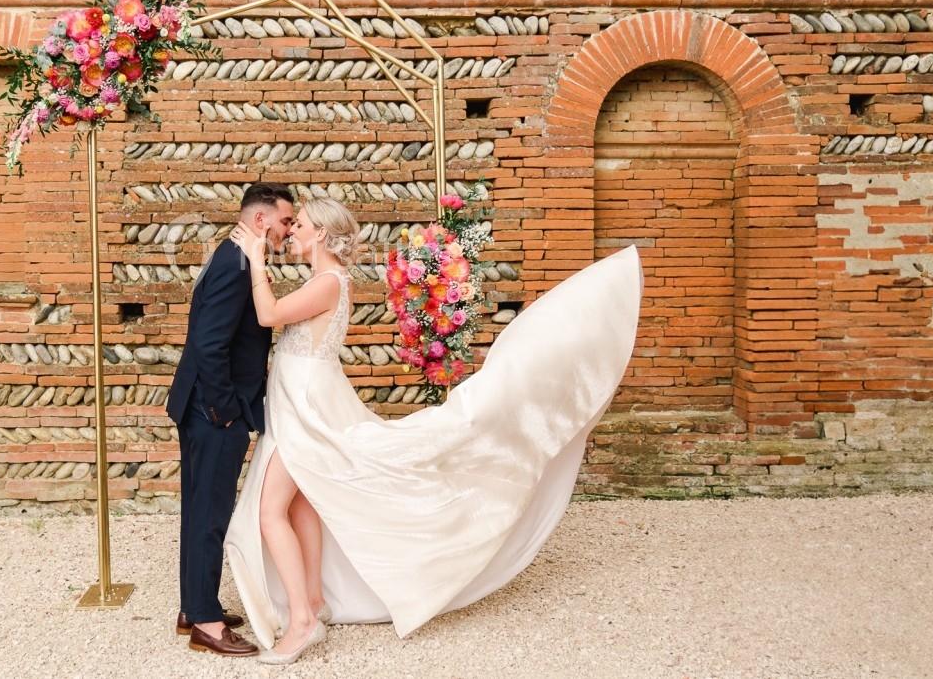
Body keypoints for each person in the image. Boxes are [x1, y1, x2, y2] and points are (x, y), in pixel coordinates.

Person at [225, 197, 642, 664]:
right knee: (302, 502)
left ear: (321, 232)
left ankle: (300, 623)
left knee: (268, 510)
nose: (291, 232)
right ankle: (315, 604)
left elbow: (268, 314)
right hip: (298, 400)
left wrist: (257, 260)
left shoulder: (326, 282)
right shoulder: (324, 279)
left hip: (307, 409)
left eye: (299, 224)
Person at [166, 182, 295, 658]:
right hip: (210, 411)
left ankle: (193, 605)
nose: (288, 230)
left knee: (201, 509)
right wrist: (223, 413)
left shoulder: (234, 256)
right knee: (209, 514)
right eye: (284, 221)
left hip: (203, 405)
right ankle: (205, 622)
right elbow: (209, 343)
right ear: (261, 220)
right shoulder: (238, 264)